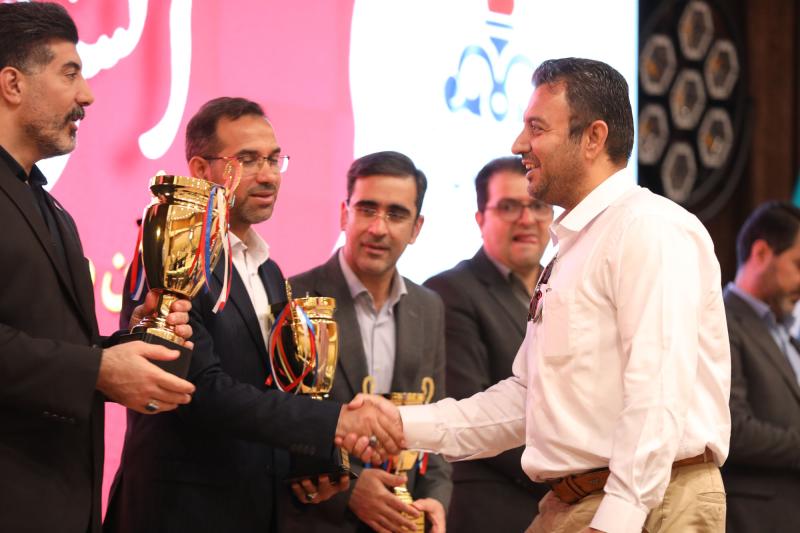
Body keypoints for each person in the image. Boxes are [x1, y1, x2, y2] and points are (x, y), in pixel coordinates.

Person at [350, 58, 732, 533]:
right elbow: (527, 401)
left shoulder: (648, 228)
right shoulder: (575, 245)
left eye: (536, 128)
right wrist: (401, 424)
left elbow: (658, 388)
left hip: (651, 504)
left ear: (592, 138)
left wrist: (617, 520)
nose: (518, 144)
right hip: (574, 503)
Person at [104, 98, 404, 533]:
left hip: (255, 512)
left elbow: (269, 389)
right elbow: (199, 391)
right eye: (247, 160)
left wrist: (314, 461)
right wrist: (334, 422)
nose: (267, 175)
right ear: (201, 170)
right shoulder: (169, 256)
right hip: (178, 513)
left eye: (273, 159)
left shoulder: (269, 271)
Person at [0, 3, 197, 532]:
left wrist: (131, 344)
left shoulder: (50, 207)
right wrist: (99, 370)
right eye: (70, 73)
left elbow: (49, 343)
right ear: (12, 84)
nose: (87, 95)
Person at [287, 151, 452, 533]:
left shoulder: (429, 307)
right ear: (344, 214)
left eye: (396, 214)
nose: (379, 228)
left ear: (416, 228)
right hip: (317, 521)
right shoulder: (294, 297)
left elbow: (436, 421)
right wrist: (349, 489)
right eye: (367, 209)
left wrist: (436, 500)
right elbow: (275, 425)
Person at [423, 156, 552, 532]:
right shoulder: (449, 291)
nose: (526, 219)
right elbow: (471, 408)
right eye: (509, 207)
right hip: (493, 507)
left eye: (538, 206)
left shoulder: (565, 288)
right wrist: (570, 471)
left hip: (567, 502)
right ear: (480, 219)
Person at [722, 201, 800, 532]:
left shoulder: (788, 333)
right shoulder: (720, 321)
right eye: (798, 264)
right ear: (761, 253)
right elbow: (732, 428)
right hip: (757, 516)